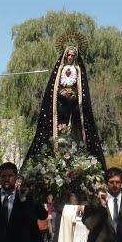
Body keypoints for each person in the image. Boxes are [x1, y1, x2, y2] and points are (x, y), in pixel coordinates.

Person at [22, 38, 106, 171]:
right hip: (60, 107)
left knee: (75, 130)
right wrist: (61, 92)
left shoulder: (78, 70)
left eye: (73, 55)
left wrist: (75, 95)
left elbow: (82, 90)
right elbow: (53, 88)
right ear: (65, 55)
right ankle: (57, 154)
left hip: (74, 107)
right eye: (69, 55)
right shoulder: (59, 70)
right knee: (59, 129)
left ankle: (76, 154)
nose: (71, 57)